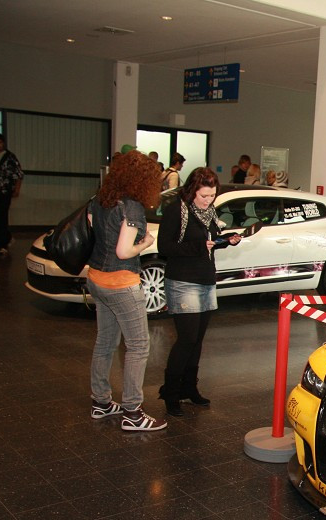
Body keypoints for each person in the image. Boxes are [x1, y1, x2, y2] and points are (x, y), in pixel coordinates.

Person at [87, 151, 166, 431]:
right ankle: (133, 413)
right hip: (121, 283)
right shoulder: (131, 207)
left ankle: (101, 402)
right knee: (138, 346)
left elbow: (94, 232)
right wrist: (145, 244)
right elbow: (123, 251)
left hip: (96, 277)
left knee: (105, 342)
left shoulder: (100, 199)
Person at [157, 167, 241, 416]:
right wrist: (197, 246)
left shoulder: (210, 212)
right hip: (182, 281)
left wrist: (227, 240)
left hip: (205, 279)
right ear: (193, 190)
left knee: (198, 341)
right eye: (204, 196)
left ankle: (189, 389)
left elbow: (211, 242)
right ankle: (170, 393)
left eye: (212, 195)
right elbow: (165, 247)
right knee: (186, 340)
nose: (208, 200)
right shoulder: (176, 210)